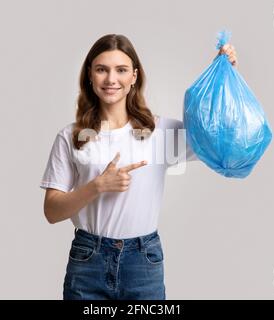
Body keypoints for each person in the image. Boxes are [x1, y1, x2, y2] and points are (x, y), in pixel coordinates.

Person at [40, 34, 238, 300]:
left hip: (143, 262)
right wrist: (97, 186)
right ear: (90, 75)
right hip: (88, 261)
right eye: (102, 69)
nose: (111, 79)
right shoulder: (71, 136)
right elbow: (51, 211)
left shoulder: (160, 132)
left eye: (121, 70)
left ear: (134, 76)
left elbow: (218, 136)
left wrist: (223, 76)